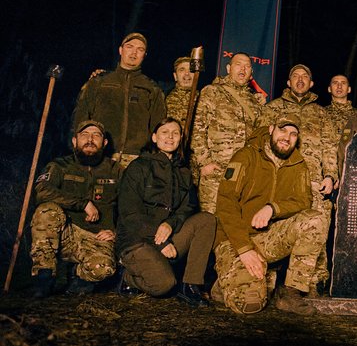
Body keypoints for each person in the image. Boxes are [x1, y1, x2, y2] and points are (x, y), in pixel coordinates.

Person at [213, 114, 326, 315]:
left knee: (315, 219)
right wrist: (244, 249)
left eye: (293, 134)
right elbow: (225, 203)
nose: (287, 137)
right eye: (282, 130)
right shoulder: (246, 156)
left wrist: (273, 208)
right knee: (250, 304)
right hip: (235, 239)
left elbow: (303, 201)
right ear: (271, 129)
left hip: (268, 238)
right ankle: (224, 282)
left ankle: (290, 292)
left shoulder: (298, 164)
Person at [116, 118, 215, 307]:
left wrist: (170, 224)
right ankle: (128, 277)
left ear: (180, 139)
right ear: (154, 137)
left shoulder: (183, 172)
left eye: (175, 133)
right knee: (164, 284)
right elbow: (130, 214)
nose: (170, 137)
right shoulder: (139, 167)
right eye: (164, 132)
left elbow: (187, 208)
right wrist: (160, 241)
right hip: (137, 240)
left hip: (168, 236)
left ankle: (191, 285)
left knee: (206, 220)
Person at [259, 64, 334, 289]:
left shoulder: (321, 113)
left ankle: (313, 282)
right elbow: (260, 141)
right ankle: (267, 280)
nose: (300, 80)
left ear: (311, 84)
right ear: (288, 82)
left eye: (305, 77)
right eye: (295, 76)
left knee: (317, 224)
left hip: (313, 181)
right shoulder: (273, 108)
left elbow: (329, 146)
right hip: (279, 177)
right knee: (275, 224)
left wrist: (330, 175)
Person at [30, 120, 119, 297]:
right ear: (74, 140)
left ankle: (78, 276)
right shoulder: (60, 165)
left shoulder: (116, 170)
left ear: (104, 143)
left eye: (96, 135)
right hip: (65, 234)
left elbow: (130, 206)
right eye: (84, 135)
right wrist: (83, 203)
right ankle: (44, 275)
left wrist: (117, 232)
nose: (90, 139)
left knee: (104, 268)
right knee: (47, 211)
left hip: (96, 237)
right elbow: (41, 191)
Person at [72, 32, 166, 169]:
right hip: (101, 156)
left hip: (137, 160)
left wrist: (153, 157)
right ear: (121, 50)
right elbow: (80, 117)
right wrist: (79, 150)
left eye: (140, 49)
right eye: (130, 47)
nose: (134, 52)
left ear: (144, 55)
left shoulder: (152, 88)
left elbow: (159, 126)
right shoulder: (99, 82)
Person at [191, 52, 264, 213]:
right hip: (216, 172)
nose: (242, 69)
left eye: (247, 66)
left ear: (251, 73)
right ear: (228, 68)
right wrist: (204, 162)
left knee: (236, 222)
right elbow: (197, 129)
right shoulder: (212, 92)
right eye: (238, 64)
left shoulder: (255, 103)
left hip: (244, 175)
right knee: (210, 221)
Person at [165, 56, 195, 129]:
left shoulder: (204, 99)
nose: (187, 73)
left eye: (191, 70)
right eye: (182, 70)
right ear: (175, 76)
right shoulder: (163, 98)